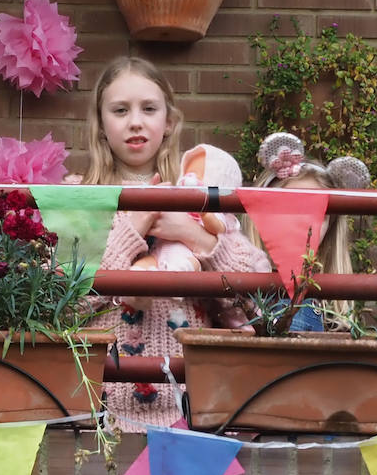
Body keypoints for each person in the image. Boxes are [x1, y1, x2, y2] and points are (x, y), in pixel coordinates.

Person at [73, 57, 270, 430]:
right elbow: (64, 304)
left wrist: (194, 235)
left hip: (193, 413)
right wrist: (131, 229)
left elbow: (251, 305)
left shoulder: (198, 196)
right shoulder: (80, 201)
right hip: (100, 414)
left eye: (149, 109)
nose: (135, 121)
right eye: (120, 110)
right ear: (100, 125)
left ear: (169, 122)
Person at [244, 132, 371, 331]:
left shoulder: (329, 303)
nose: (305, 222)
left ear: (331, 228)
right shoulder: (243, 279)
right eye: (291, 208)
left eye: (320, 214)